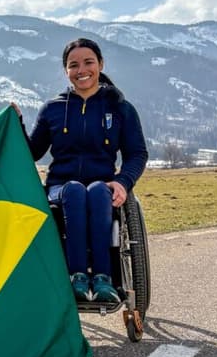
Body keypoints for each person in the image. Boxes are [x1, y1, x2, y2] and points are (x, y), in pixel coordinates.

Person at [14, 38, 148, 303]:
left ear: (100, 64)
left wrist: (123, 182)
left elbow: (137, 154)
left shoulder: (120, 108)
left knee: (99, 190)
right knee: (74, 190)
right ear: (66, 70)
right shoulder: (52, 109)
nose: (81, 70)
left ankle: (103, 279)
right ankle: (76, 277)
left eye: (88, 62)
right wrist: (16, 124)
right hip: (60, 188)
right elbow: (32, 153)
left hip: (103, 186)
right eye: (73, 65)